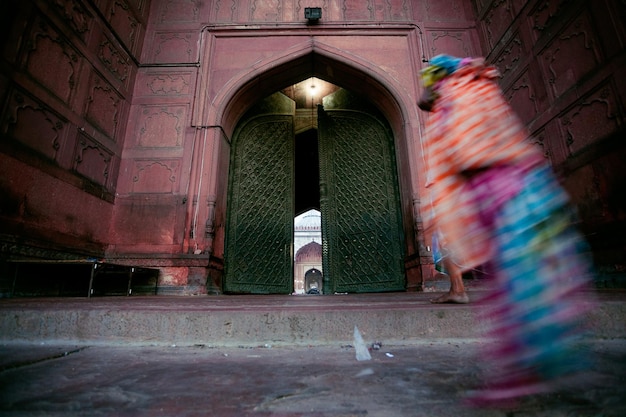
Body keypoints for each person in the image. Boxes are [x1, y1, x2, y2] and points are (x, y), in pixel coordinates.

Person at [418, 54, 595, 403]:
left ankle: (534, 369)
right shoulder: (460, 96)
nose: (426, 91)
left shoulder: (466, 94)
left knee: (527, 282)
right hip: (500, 199)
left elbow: (473, 151)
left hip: (512, 197)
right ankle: (533, 367)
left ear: (440, 78)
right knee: (515, 286)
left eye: (430, 81)